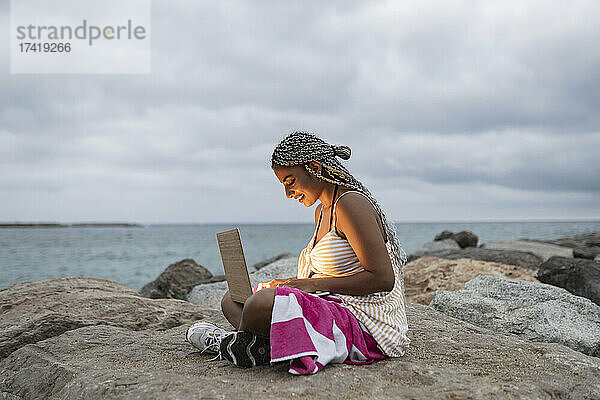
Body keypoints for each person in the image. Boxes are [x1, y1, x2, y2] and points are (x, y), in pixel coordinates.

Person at [186, 131, 410, 374]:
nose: (287, 193)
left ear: (313, 167)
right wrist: (290, 285)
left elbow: (383, 279)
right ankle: (255, 345)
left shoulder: (350, 204)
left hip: (364, 323)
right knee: (233, 299)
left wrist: (307, 286)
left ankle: (235, 343)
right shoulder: (323, 211)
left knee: (259, 304)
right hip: (331, 304)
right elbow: (328, 276)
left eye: (290, 181)